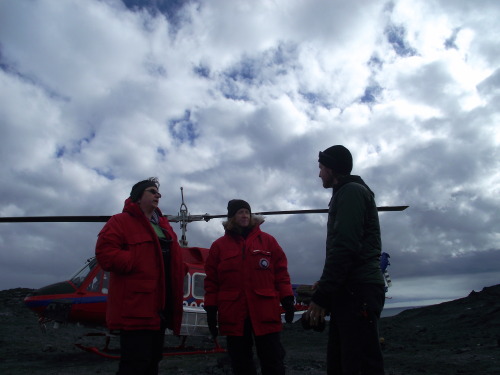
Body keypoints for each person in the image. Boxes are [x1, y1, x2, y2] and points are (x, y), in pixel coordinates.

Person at [304, 145, 386, 375]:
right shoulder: (345, 193)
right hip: (350, 289)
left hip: (358, 290)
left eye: (321, 168)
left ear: (332, 168)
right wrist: (328, 285)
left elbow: (345, 247)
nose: (319, 173)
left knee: (358, 364)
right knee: (343, 362)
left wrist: (322, 296)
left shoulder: (351, 192)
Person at [95, 177, 185, 375]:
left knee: (153, 361)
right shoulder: (120, 222)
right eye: (152, 191)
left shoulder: (164, 226)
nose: (157, 195)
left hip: (161, 308)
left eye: (158, 193)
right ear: (137, 197)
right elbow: (105, 254)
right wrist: (135, 260)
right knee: (135, 363)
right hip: (136, 307)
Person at [204, 199, 295, 375]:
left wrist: (287, 298)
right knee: (240, 363)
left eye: (247, 212)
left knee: (273, 360)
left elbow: (281, 273)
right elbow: (211, 282)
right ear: (231, 217)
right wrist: (210, 310)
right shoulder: (218, 247)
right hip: (234, 312)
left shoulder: (268, 242)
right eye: (240, 212)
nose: (245, 215)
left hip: (264, 310)